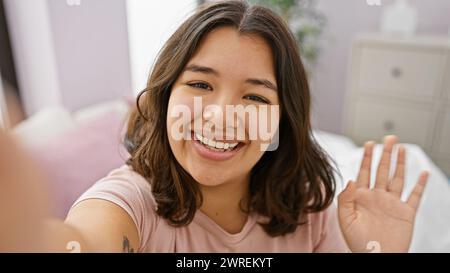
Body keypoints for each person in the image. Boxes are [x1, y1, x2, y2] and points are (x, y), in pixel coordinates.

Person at [0, 0, 428, 253]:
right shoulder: (129, 202)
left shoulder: (308, 210)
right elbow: (82, 241)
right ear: (166, 97)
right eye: (201, 84)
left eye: (255, 96)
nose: (221, 115)